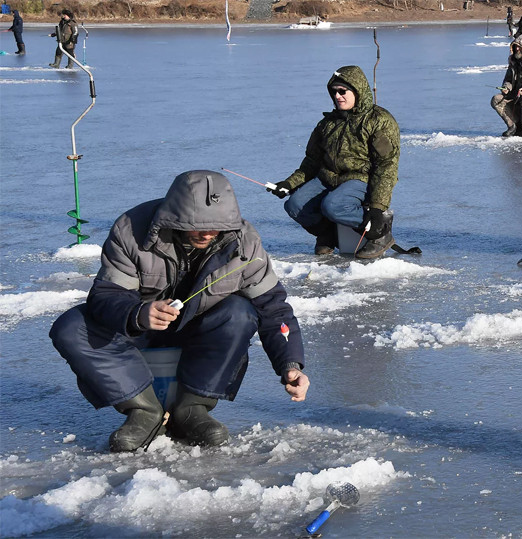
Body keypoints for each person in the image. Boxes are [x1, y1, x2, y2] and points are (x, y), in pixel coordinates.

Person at [49, 171, 310, 452]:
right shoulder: (131, 230)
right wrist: (138, 313)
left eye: (218, 226)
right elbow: (106, 295)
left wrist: (291, 366)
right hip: (137, 330)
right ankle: (144, 411)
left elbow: (274, 308)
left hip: (202, 332)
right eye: (197, 226)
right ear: (173, 217)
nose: (208, 233)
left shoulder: (245, 243)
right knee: (71, 327)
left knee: (240, 312)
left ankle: (193, 408)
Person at [268, 66, 401, 259]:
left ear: (357, 91)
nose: (338, 96)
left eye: (342, 91)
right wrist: (289, 184)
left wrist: (378, 207)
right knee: (294, 206)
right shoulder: (328, 123)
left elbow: (386, 166)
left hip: (361, 178)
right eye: (334, 91)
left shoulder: (379, 120)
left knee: (333, 206)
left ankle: (380, 233)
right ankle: (327, 234)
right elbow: (312, 160)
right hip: (328, 177)